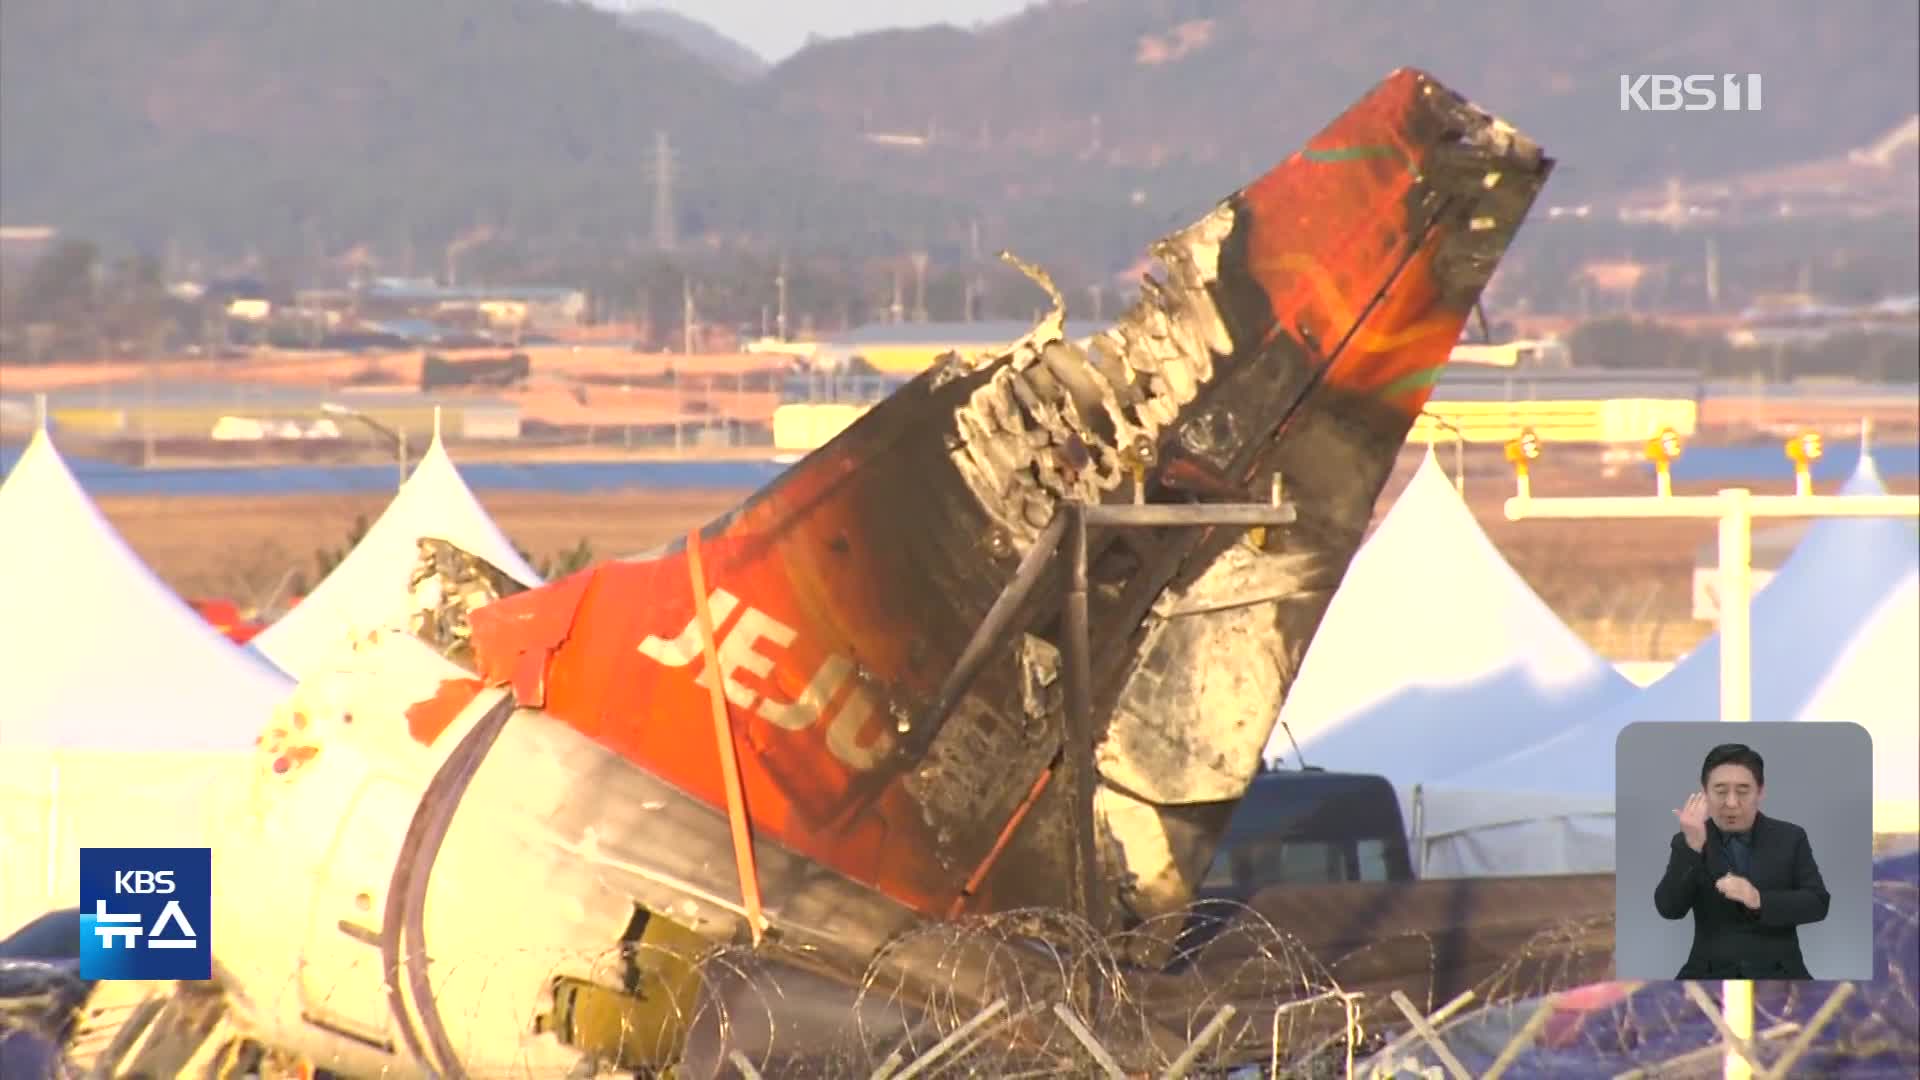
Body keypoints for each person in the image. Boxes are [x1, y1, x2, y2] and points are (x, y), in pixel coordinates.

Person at [1654, 743, 1830, 979]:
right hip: (1709, 975)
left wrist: (1758, 899)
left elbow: (1818, 903)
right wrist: (1693, 847)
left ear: (1761, 791)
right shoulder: (1688, 840)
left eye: (1743, 791)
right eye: (1720, 791)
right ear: (1705, 793)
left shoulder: (1791, 837)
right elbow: (1669, 909)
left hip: (1780, 975)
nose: (1731, 803)